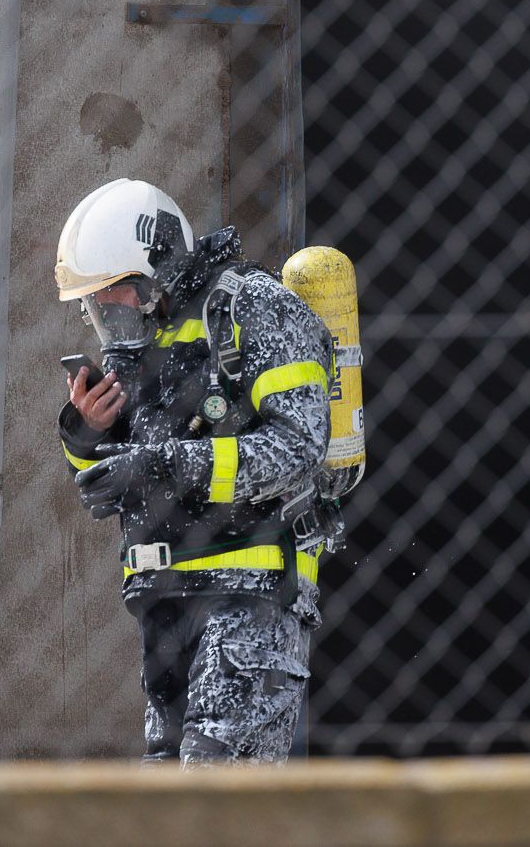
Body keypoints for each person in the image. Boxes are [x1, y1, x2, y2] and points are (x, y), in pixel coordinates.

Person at [55, 178, 334, 763]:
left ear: (150, 272)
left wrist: (164, 464)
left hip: (250, 593)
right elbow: (111, 476)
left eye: (109, 295)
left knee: (216, 798)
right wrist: (86, 434)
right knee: (169, 808)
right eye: (92, 304)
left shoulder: (254, 308)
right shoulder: (138, 346)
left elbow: (297, 444)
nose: (102, 313)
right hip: (164, 604)